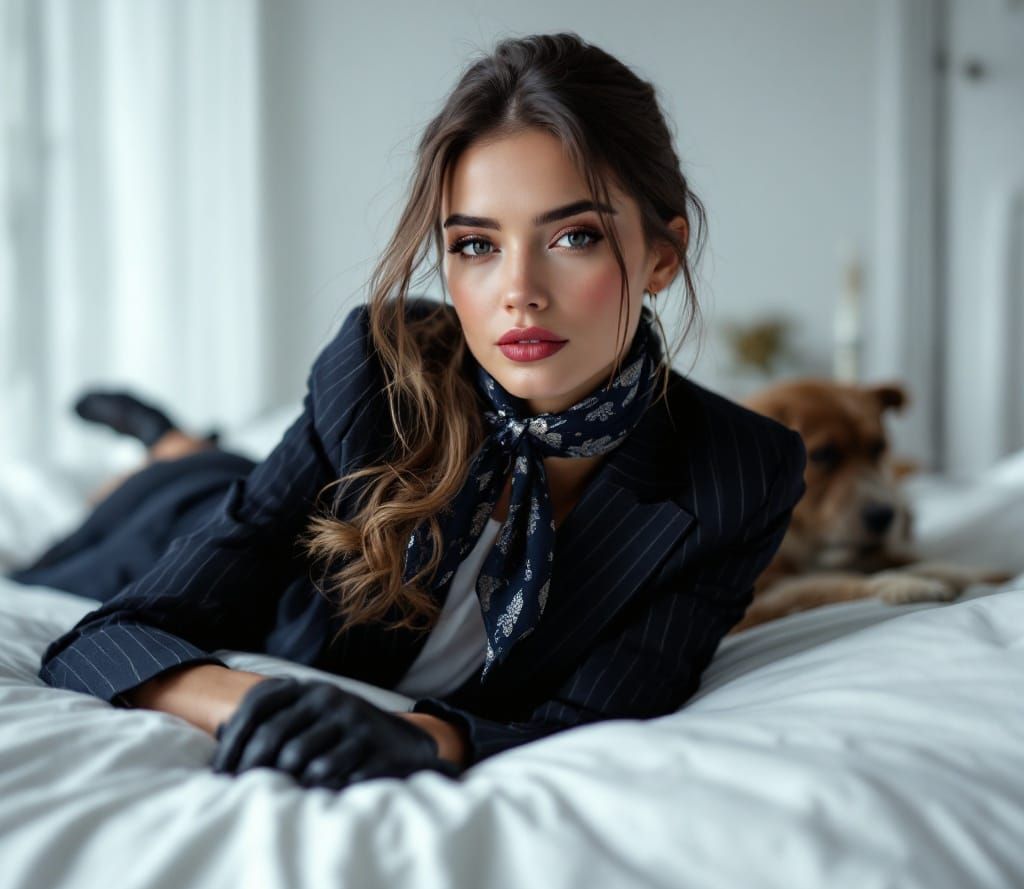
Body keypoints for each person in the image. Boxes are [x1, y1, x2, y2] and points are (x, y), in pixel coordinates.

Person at [20, 32, 806, 790]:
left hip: (263, 495)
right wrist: (255, 703)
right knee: (111, 531)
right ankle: (169, 447)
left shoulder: (740, 476)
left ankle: (179, 445)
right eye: (476, 245)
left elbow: (598, 712)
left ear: (661, 256)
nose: (519, 292)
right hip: (170, 525)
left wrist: (423, 737)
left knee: (217, 470)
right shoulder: (378, 368)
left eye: (573, 237)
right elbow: (102, 639)